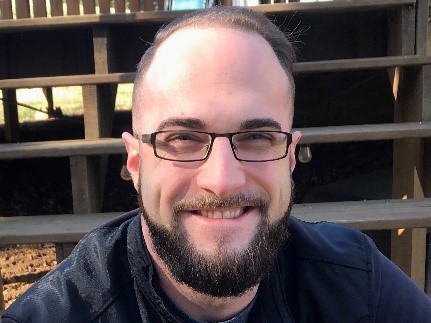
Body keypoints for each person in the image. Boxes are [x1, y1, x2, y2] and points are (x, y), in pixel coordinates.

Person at [2, 6, 431, 323]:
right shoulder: (57, 314)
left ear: (290, 158)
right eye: (183, 139)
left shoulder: (359, 288)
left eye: (258, 137)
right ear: (135, 162)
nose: (222, 180)